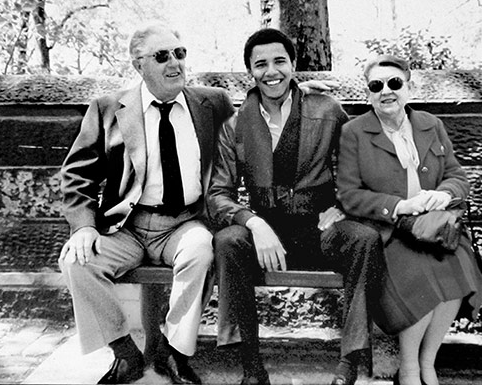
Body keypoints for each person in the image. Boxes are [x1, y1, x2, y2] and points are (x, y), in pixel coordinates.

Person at [58, 21, 235, 384]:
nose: (175, 64)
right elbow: (77, 173)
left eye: (180, 54)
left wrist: (300, 94)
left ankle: (174, 353)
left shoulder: (211, 103)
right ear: (139, 64)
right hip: (129, 227)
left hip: (185, 223)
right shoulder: (109, 108)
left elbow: (252, 125)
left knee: (201, 251)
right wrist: (84, 226)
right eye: (162, 56)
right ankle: (124, 352)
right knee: (77, 260)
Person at [207, 28, 384, 385]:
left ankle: (348, 365)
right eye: (261, 64)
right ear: (250, 72)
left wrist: (343, 207)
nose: (271, 72)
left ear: (293, 65)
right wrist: (253, 223)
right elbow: (218, 194)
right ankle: (252, 368)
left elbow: (355, 167)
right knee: (227, 241)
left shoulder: (326, 108)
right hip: (266, 233)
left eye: (279, 61)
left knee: (365, 240)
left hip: (319, 228)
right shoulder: (235, 124)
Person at [336, 55, 482, 385]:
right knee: (420, 274)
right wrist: (399, 206)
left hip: (434, 229)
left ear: (409, 87)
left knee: (459, 265)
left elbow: (457, 176)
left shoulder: (431, 125)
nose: (386, 91)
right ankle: (408, 369)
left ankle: (427, 363)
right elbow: (348, 195)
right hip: (389, 231)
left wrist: (445, 194)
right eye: (376, 86)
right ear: (368, 94)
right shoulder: (354, 132)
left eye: (394, 84)